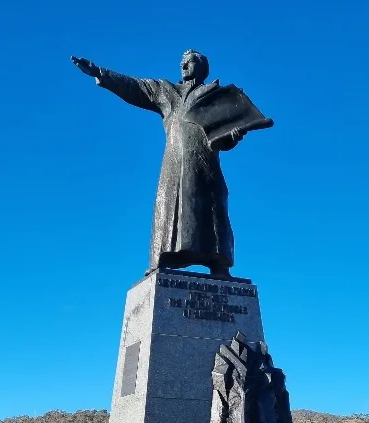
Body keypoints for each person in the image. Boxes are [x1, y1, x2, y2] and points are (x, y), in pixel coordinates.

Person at [72, 50, 246, 278]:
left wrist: (234, 135)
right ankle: (161, 258)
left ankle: (219, 264)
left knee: (212, 210)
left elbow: (224, 139)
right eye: (181, 62)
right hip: (174, 163)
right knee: (168, 207)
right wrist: (101, 73)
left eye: (190, 62)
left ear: (203, 67)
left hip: (205, 166)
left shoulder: (216, 96)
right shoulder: (167, 92)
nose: (184, 66)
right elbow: (136, 87)